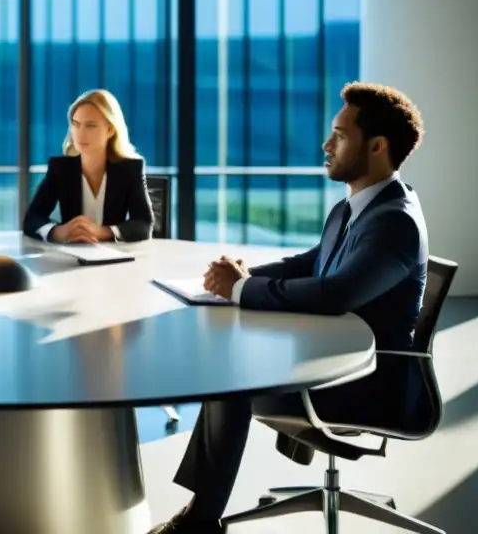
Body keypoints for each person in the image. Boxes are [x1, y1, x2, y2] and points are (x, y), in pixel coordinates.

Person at [148, 82, 427, 534]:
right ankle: (201, 513)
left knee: (230, 375)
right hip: (331, 358)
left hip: (370, 382)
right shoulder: (357, 207)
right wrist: (244, 275)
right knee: (231, 357)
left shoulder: (395, 221)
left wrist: (240, 290)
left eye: (339, 134)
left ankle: (200, 520)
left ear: (377, 146)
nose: (325, 144)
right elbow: (310, 263)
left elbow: (336, 293)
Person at [23, 89, 154, 243]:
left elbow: (143, 223)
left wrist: (103, 232)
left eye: (90, 126)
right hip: (70, 256)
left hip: (115, 255)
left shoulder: (130, 169)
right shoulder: (60, 169)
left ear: (110, 130)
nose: (80, 133)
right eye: (76, 124)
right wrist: (57, 232)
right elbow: (32, 218)